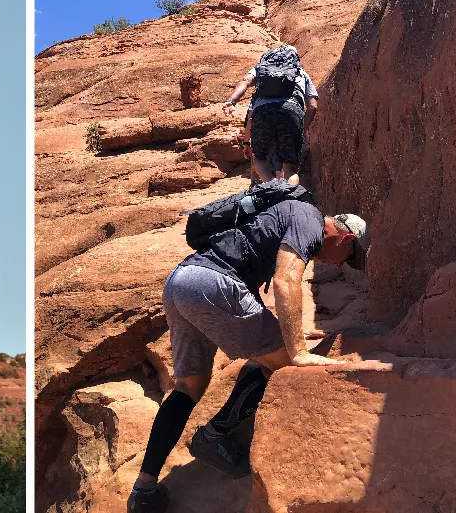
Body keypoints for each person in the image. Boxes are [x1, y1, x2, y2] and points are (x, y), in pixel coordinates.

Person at [126, 193, 367, 513]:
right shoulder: (309, 220)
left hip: (181, 281)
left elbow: (256, 285)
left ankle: (143, 490)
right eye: (347, 256)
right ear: (346, 237)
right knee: (279, 365)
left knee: (188, 387)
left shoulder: (284, 215)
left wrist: (289, 328)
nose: (339, 263)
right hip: (213, 285)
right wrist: (296, 351)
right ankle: (214, 436)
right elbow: (285, 280)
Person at [221, 45, 318, 185]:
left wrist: (232, 101)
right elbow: (313, 106)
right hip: (291, 112)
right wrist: (301, 130)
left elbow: (245, 83)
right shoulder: (301, 73)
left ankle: (270, 185)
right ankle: (289, 194)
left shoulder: (261, 69)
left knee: (259, 159)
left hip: (263, 112)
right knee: (290, 168)